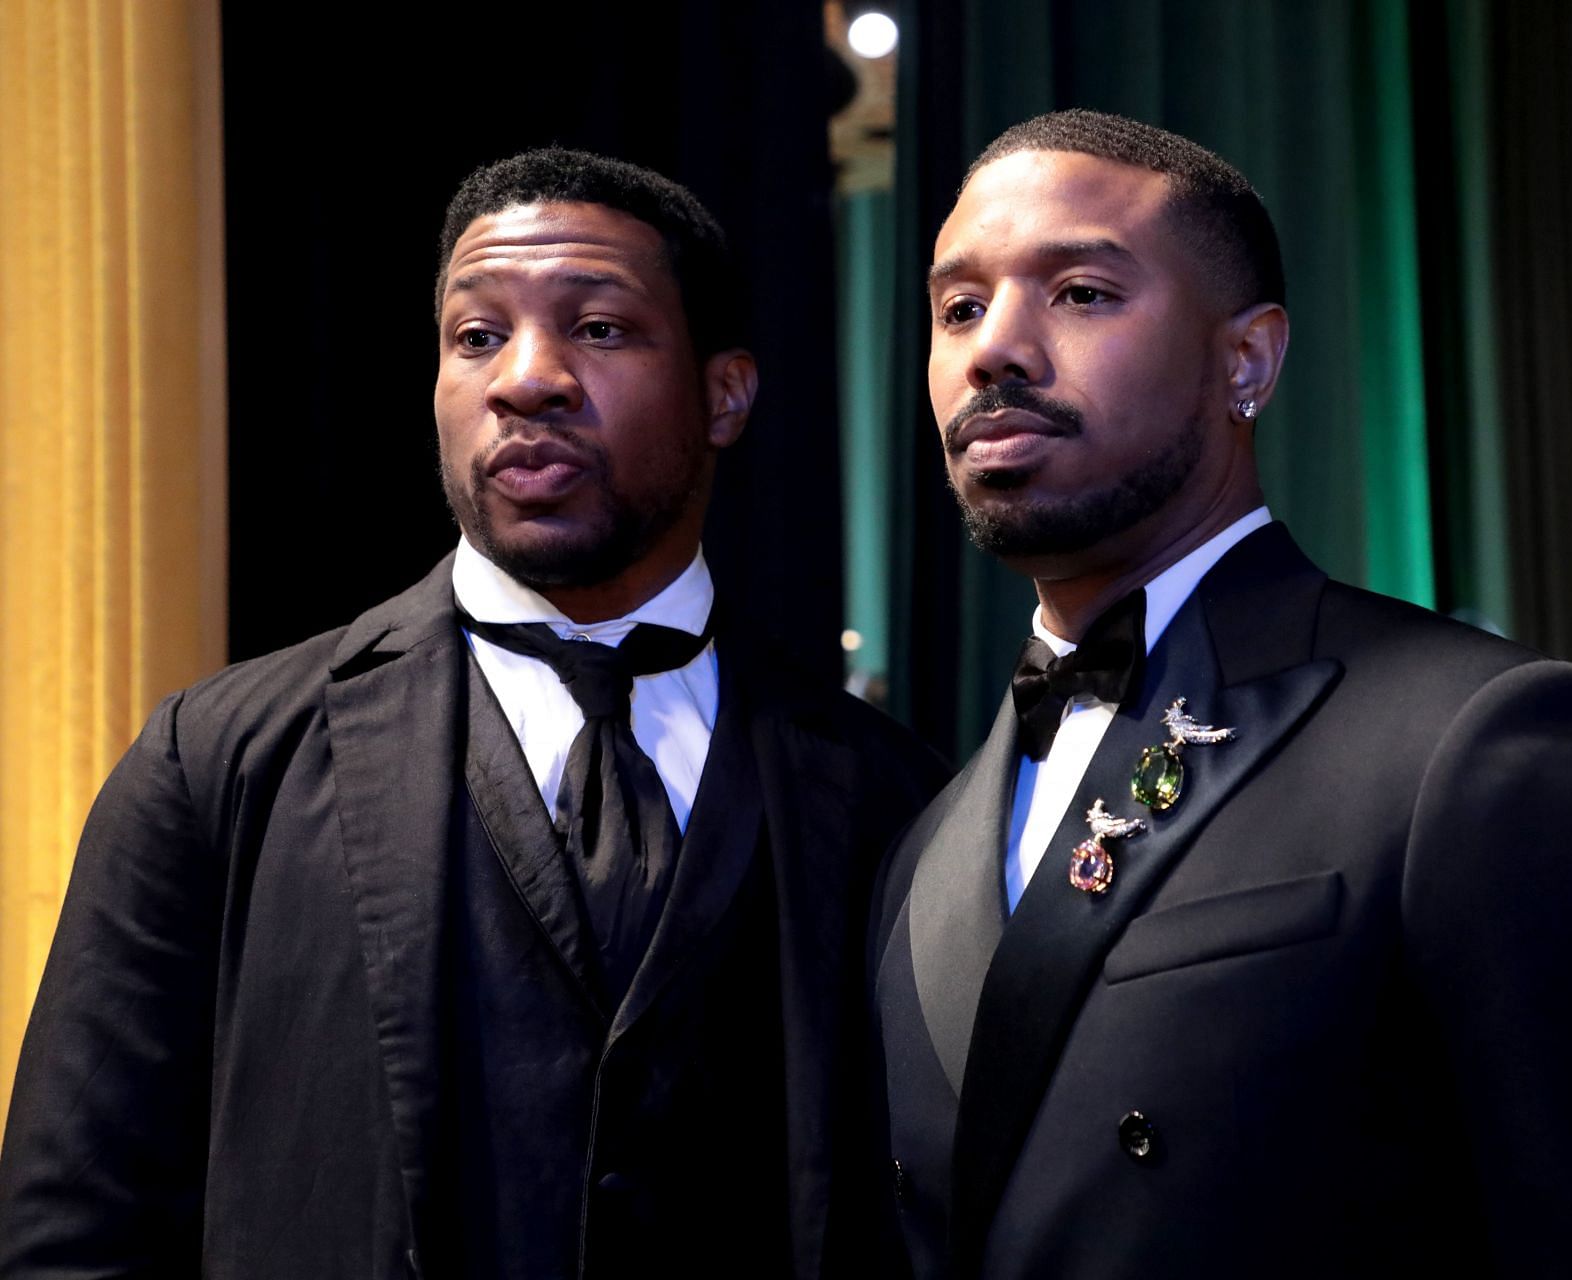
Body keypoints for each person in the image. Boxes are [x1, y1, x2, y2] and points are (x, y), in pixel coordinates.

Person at [871, 110, 1572, 1277]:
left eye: (1082, 293)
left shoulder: (1485, 741)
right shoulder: (925, 843)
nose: (995, 347)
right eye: (959, 308)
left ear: (1246, 359)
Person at [0, 147, 945, 1279]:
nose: (525, 379)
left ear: (725, 392)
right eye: (477, 335)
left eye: (599, 328)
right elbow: (75, 1226)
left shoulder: (881, 787)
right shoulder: (217, 760)